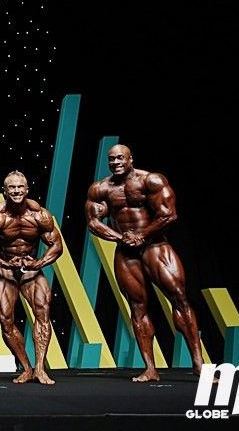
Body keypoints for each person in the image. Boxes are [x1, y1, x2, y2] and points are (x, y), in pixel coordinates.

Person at [85, 144, 204, 382]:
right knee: (137, 307)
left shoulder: (151, 180)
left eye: (120, 158)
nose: (116, 162)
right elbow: (93, 222)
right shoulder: (100, 189)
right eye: (111, 159)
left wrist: (142, 235)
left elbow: (168, 214)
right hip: (126, 252)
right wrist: (121, 238)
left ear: (131, 159)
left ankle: (198, 363)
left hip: (155, 246)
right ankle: (150, 368)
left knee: (179, 298)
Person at [0, 171, 62, 385]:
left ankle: (40, 368)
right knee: (6, 321)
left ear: (27, 189)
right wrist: (3, 263)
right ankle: (26, 367)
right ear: (4, 191)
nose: (16, 191)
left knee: (43, 313)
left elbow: (56, 245)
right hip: (5, 270)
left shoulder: (40, 215)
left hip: (31, 268)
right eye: (11, 188)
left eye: (20, 187)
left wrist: (39, 263)